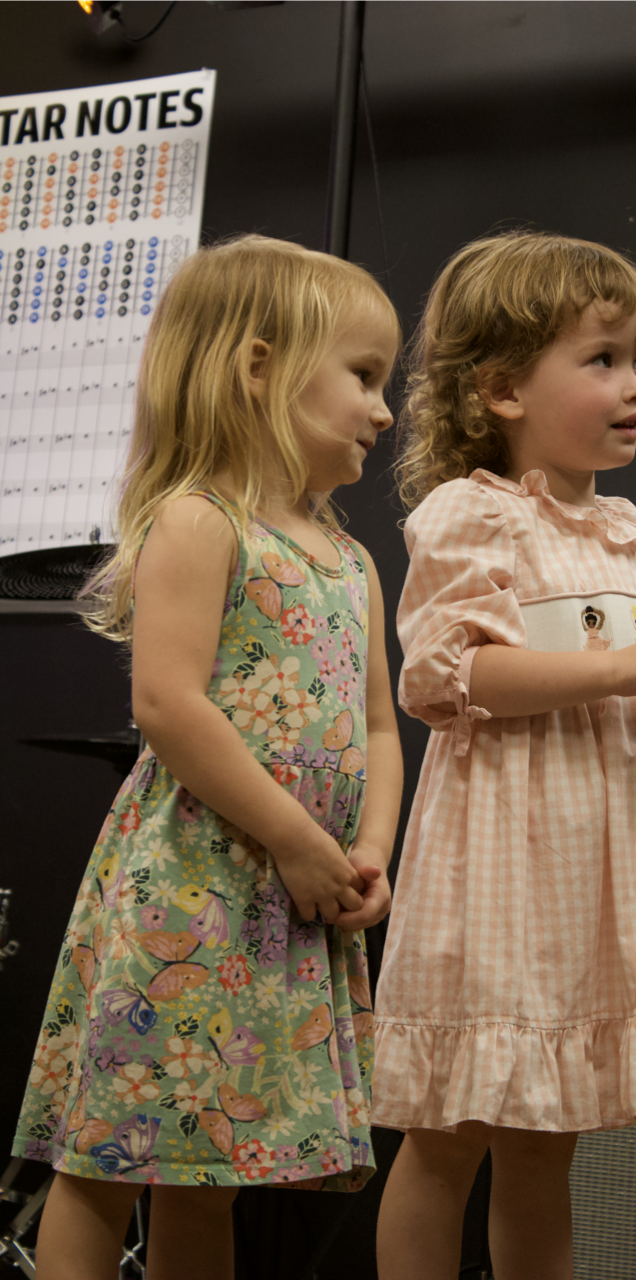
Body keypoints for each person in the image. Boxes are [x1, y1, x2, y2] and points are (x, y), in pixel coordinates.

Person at [372, 231, 636, 1280]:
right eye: (601, 359)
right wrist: (623, 666)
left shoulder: (628, 538)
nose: (633, 386)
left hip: (598, 870)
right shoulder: (475, 516)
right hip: (504, 868)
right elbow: (448, 676)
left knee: (544, 1139)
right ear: (504, 387)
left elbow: (620, 700)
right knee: (448, 1133)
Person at [12, 235, 403, 1280]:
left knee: (215, 1166)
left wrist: (366, 847)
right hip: (197, 888)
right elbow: (170, 705)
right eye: (363, 376)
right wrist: (293, 837)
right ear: (259, 366)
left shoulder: (351, 560)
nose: (384, 407)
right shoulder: (201, 519)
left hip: (296, 895)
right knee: (109, 1155)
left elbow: (376, 722)